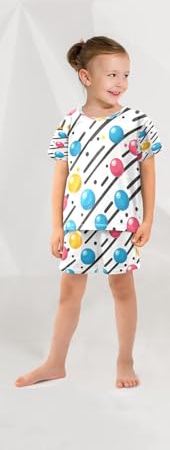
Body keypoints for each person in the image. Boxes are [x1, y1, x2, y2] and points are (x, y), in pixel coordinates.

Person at [16, 36, 162, 389]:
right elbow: (60, 176)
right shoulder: (69, 124)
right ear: (86, 77)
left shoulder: (137, 121)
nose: (120, 83)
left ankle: (125, 360)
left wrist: (147, 219)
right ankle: (55, 362)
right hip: (77, 226)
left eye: (126, 75)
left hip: (121, 225)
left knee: (122, 289)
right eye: (112, 75)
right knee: (69, 294)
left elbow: (148, 170)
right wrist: (57, 226)